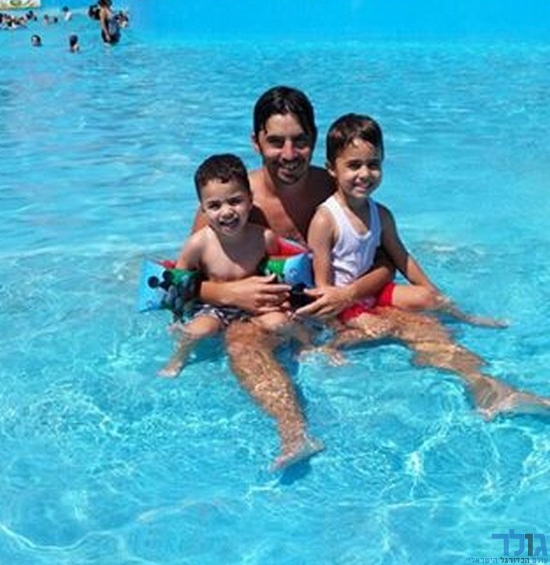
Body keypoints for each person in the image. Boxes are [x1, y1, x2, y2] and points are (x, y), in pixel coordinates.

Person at [184, 86, 550, 470]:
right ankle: (295, 433)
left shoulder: (332, 187)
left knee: (418, 324)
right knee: (242, 343)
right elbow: (179, 284)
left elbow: (384, 260)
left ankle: (489, 389)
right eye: (276, 142)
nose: (289, 154)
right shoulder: (234, 200)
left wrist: (349, 295)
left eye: (300, 141)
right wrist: (229, 293)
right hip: (268, 315)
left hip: (339, 306)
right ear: (255, 142)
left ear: (314, 141)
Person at [168, 153, 323, 469]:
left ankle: (307, 344)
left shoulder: (263, 237)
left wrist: (284, 303)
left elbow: (282, 275)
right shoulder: (198, 243)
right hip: (216, 308)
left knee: (280, 322)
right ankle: (178, 359)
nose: (226, 212)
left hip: (257, 308)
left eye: (235, 201)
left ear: (250, 200)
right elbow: (181, 283)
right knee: (198, 330)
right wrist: (178, 317)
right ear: (203, 209)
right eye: (214, 205)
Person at [307, 113, 506, 332]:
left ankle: (466, 318)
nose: (365, 174)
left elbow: (403, 259)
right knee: (382, 329)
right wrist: (340, 323)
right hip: (342, 303)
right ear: (331, 169)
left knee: (429, 299)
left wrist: (435, 295)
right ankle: (343, 338)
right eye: (354, 165)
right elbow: (322, 288)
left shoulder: (381, 215)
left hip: (371, 293)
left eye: (373, 164)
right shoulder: (326, 219)